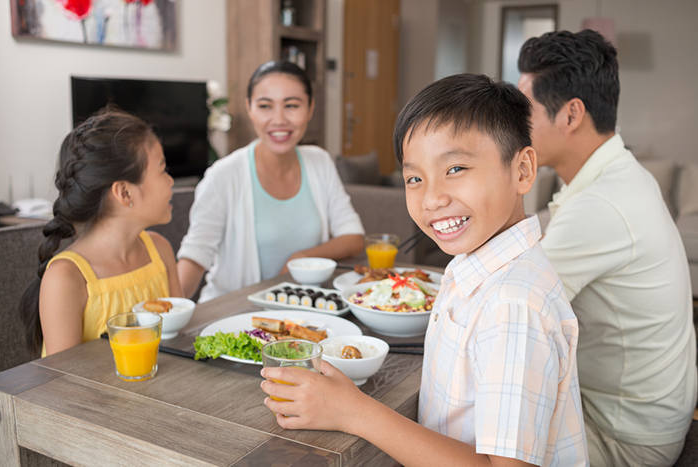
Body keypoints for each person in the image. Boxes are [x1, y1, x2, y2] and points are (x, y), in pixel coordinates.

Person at [260, 73, 588, 467]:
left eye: (455, 169)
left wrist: (353, 411)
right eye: (415, 178)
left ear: (521, 170)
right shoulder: (478, 268)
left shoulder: (513, 305)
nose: (432, 198)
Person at [518, 30, 696, 466]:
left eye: (523, 111)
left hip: (623, 439)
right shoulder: (617, 176)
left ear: (571, 114)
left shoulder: (603, 203)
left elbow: (513, 300)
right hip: (637, 414)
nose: (512, 125)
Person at [177, 60, 364, 302]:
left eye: (292, 105)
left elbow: (354, 238)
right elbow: (196, 254)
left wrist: (301, 258)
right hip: (233, 312)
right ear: (249, 108)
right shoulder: (223, 175)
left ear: (310, 108)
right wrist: (169, 312)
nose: (278, 120)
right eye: (265, 106)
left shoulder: (320, 162)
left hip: (302, 309)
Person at [19, 107, 183, 357]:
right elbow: (62, 384)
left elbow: (180, 341)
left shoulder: (160, 250)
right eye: (162, 170)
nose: (171, 181)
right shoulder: (67, 277)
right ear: (125, 192)